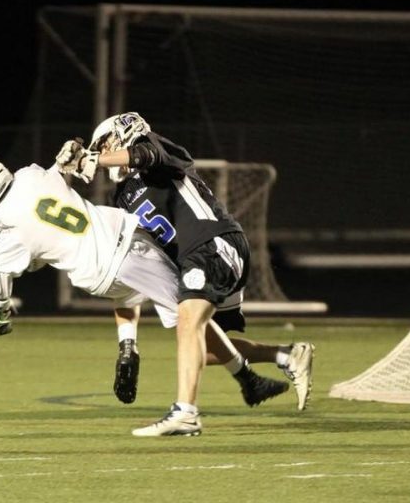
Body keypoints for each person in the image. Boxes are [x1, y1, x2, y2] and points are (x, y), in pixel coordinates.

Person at [0, 155, 290, 434]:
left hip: (98, 278)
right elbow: (62, 173)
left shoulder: (3, 230)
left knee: (175, 316)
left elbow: (0, 281)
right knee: (191, 319)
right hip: (129, 247)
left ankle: (129, 346)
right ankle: (244, 380)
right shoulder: (31, 175)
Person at [56, 112, 315, 436]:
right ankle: (287, 355)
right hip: (190, 263)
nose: (102, 153)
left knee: (190, 325)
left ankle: (186, 413)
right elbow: (131, 268)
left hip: (214, 244)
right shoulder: (121, 197)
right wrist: (128, 345)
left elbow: (143, 155)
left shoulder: (154, 148)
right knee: (204, 346)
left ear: (123, 133)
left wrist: (94, 158)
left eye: (105, 143)